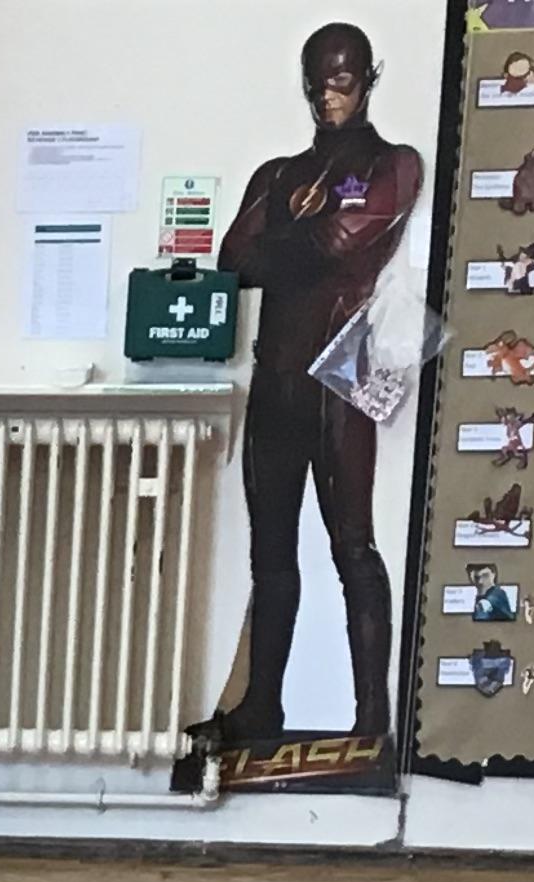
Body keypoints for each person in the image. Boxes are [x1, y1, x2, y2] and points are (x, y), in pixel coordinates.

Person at [219, 21, 423, 742]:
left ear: (368, 79)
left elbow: (339, 243)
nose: (328, 96)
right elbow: (232, 262)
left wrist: (287, 243)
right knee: (270, 558)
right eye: (318, 82)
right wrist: (306, 242)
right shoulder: (277, 175)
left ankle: (371, 720)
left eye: (342, 80)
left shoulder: (394, 163)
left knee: (353, 549)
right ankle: (262, 706)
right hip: (276, 381)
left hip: (341, 382)